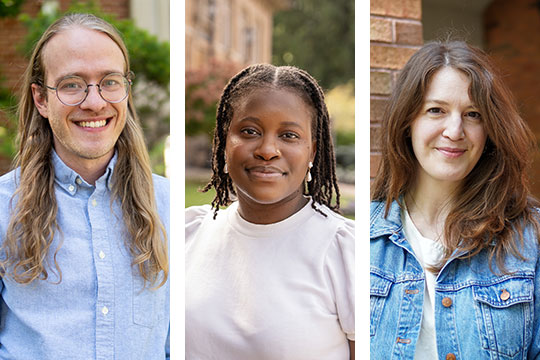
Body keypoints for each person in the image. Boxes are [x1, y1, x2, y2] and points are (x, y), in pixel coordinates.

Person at [0, 13, 169, 359]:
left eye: (109, 82)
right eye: (72, 84)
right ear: (41, 99)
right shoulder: (3, 207)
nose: (94, 102)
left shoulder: (167, 205)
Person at [370, 40, 540, 359]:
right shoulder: (362, 241)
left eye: (473, 114)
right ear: (408, 122)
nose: (455, 130)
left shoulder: (532, 238)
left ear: (489, 129)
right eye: (436, 110)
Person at [185, 64, 355, 359]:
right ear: (225, 142)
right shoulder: (187, 232)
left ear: (312, 151)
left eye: (288, 135)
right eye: (250, 131)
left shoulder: (344, 251)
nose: (267, 149)